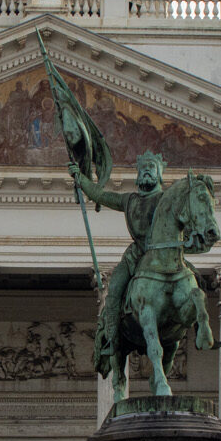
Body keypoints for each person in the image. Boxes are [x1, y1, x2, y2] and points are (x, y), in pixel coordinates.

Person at [69, 150, 172, 377]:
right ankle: (111, 342)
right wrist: (81, 179)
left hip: (166, 256)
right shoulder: (130, 200)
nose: (146, 171)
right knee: (113, 291)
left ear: (159, 174)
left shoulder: (167, 200)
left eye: (151, 168)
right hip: (136, 256)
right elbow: (102, 196)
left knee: (194, 285)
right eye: (142, 168)